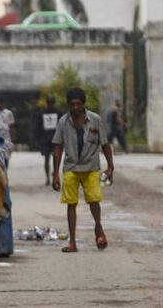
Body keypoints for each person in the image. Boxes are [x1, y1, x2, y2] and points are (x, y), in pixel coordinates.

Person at [52, 87, 115, 253]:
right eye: (72, 104)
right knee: (71, 204)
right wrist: (55, 174)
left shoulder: (95, 120)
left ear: (83, 104)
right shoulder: (63, 122)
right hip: (71, 167)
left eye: (78, 104)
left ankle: (99, 229)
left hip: (91, 167)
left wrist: (110, 167)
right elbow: (58, 148)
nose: (75, 108)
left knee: (94, 200)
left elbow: (105, 144)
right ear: (68, 105)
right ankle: (72, 241)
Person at [33, 96, 60, 186]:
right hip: (45, 139)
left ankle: (55, 173)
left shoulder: (58, 113)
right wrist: (37, 138)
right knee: (46, 159)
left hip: (56, 139)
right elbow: (38, 127)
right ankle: (48, 177)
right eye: (49, 102)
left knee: (56, 157)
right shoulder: (41, 113)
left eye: (51, 102)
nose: (50, 104)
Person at [0, 98, 15, 164]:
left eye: (1, 104)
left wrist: (12, 139)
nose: (0, 105)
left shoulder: (8, 113)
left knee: (6, 156)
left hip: (6, 138)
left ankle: (5, 171)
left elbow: (11, 126)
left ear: (3, 104)